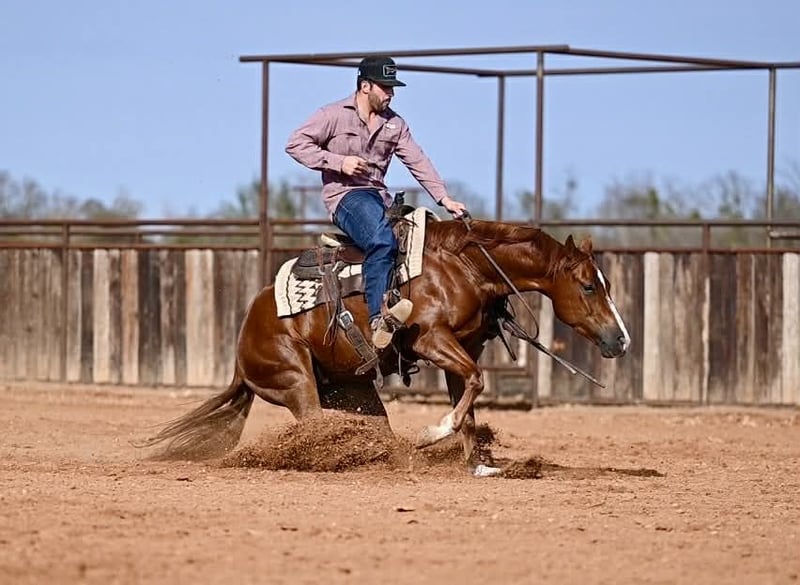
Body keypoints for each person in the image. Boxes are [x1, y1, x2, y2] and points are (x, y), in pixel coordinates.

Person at [286, 55, 467, 350]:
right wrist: (339, 162)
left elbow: (417, 160)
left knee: (422, 241)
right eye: (385, 87)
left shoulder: (395, 124)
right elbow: (295, 144)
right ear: (365, 86)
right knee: (382, 240)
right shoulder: (332, 115)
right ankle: (377, 319)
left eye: (392, 88)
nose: (391, 94)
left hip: (379, 199)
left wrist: (443, 197)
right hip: (346, 197)